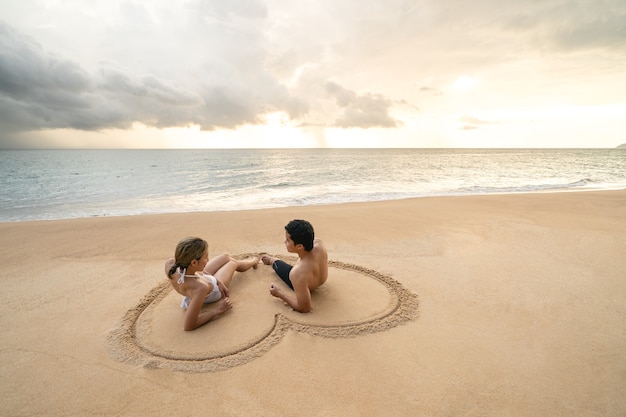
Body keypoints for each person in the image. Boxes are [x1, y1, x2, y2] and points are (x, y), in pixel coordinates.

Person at [164, 237, 260, 331]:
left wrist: (217, 281)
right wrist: (218, 310)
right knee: (233, 263)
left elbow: (195, 274)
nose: (208, 259)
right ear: (194, 262)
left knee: (225, 256)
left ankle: (246, 262)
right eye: (206, 257)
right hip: (214, 291)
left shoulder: (170, 264)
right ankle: (254, 261)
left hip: (199, 277)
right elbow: (189, 326)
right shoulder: (200, 287)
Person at [262, 219, 328, 313]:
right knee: (298, 269)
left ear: (300, 246)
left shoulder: (297, 273)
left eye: (288, 240)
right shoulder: (319, 243)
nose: (285, 242)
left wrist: (279, 293)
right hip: (321, 279)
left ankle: (271, 260)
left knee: (278, 264)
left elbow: (305, 308)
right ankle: (271, 260)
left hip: (306, 284)